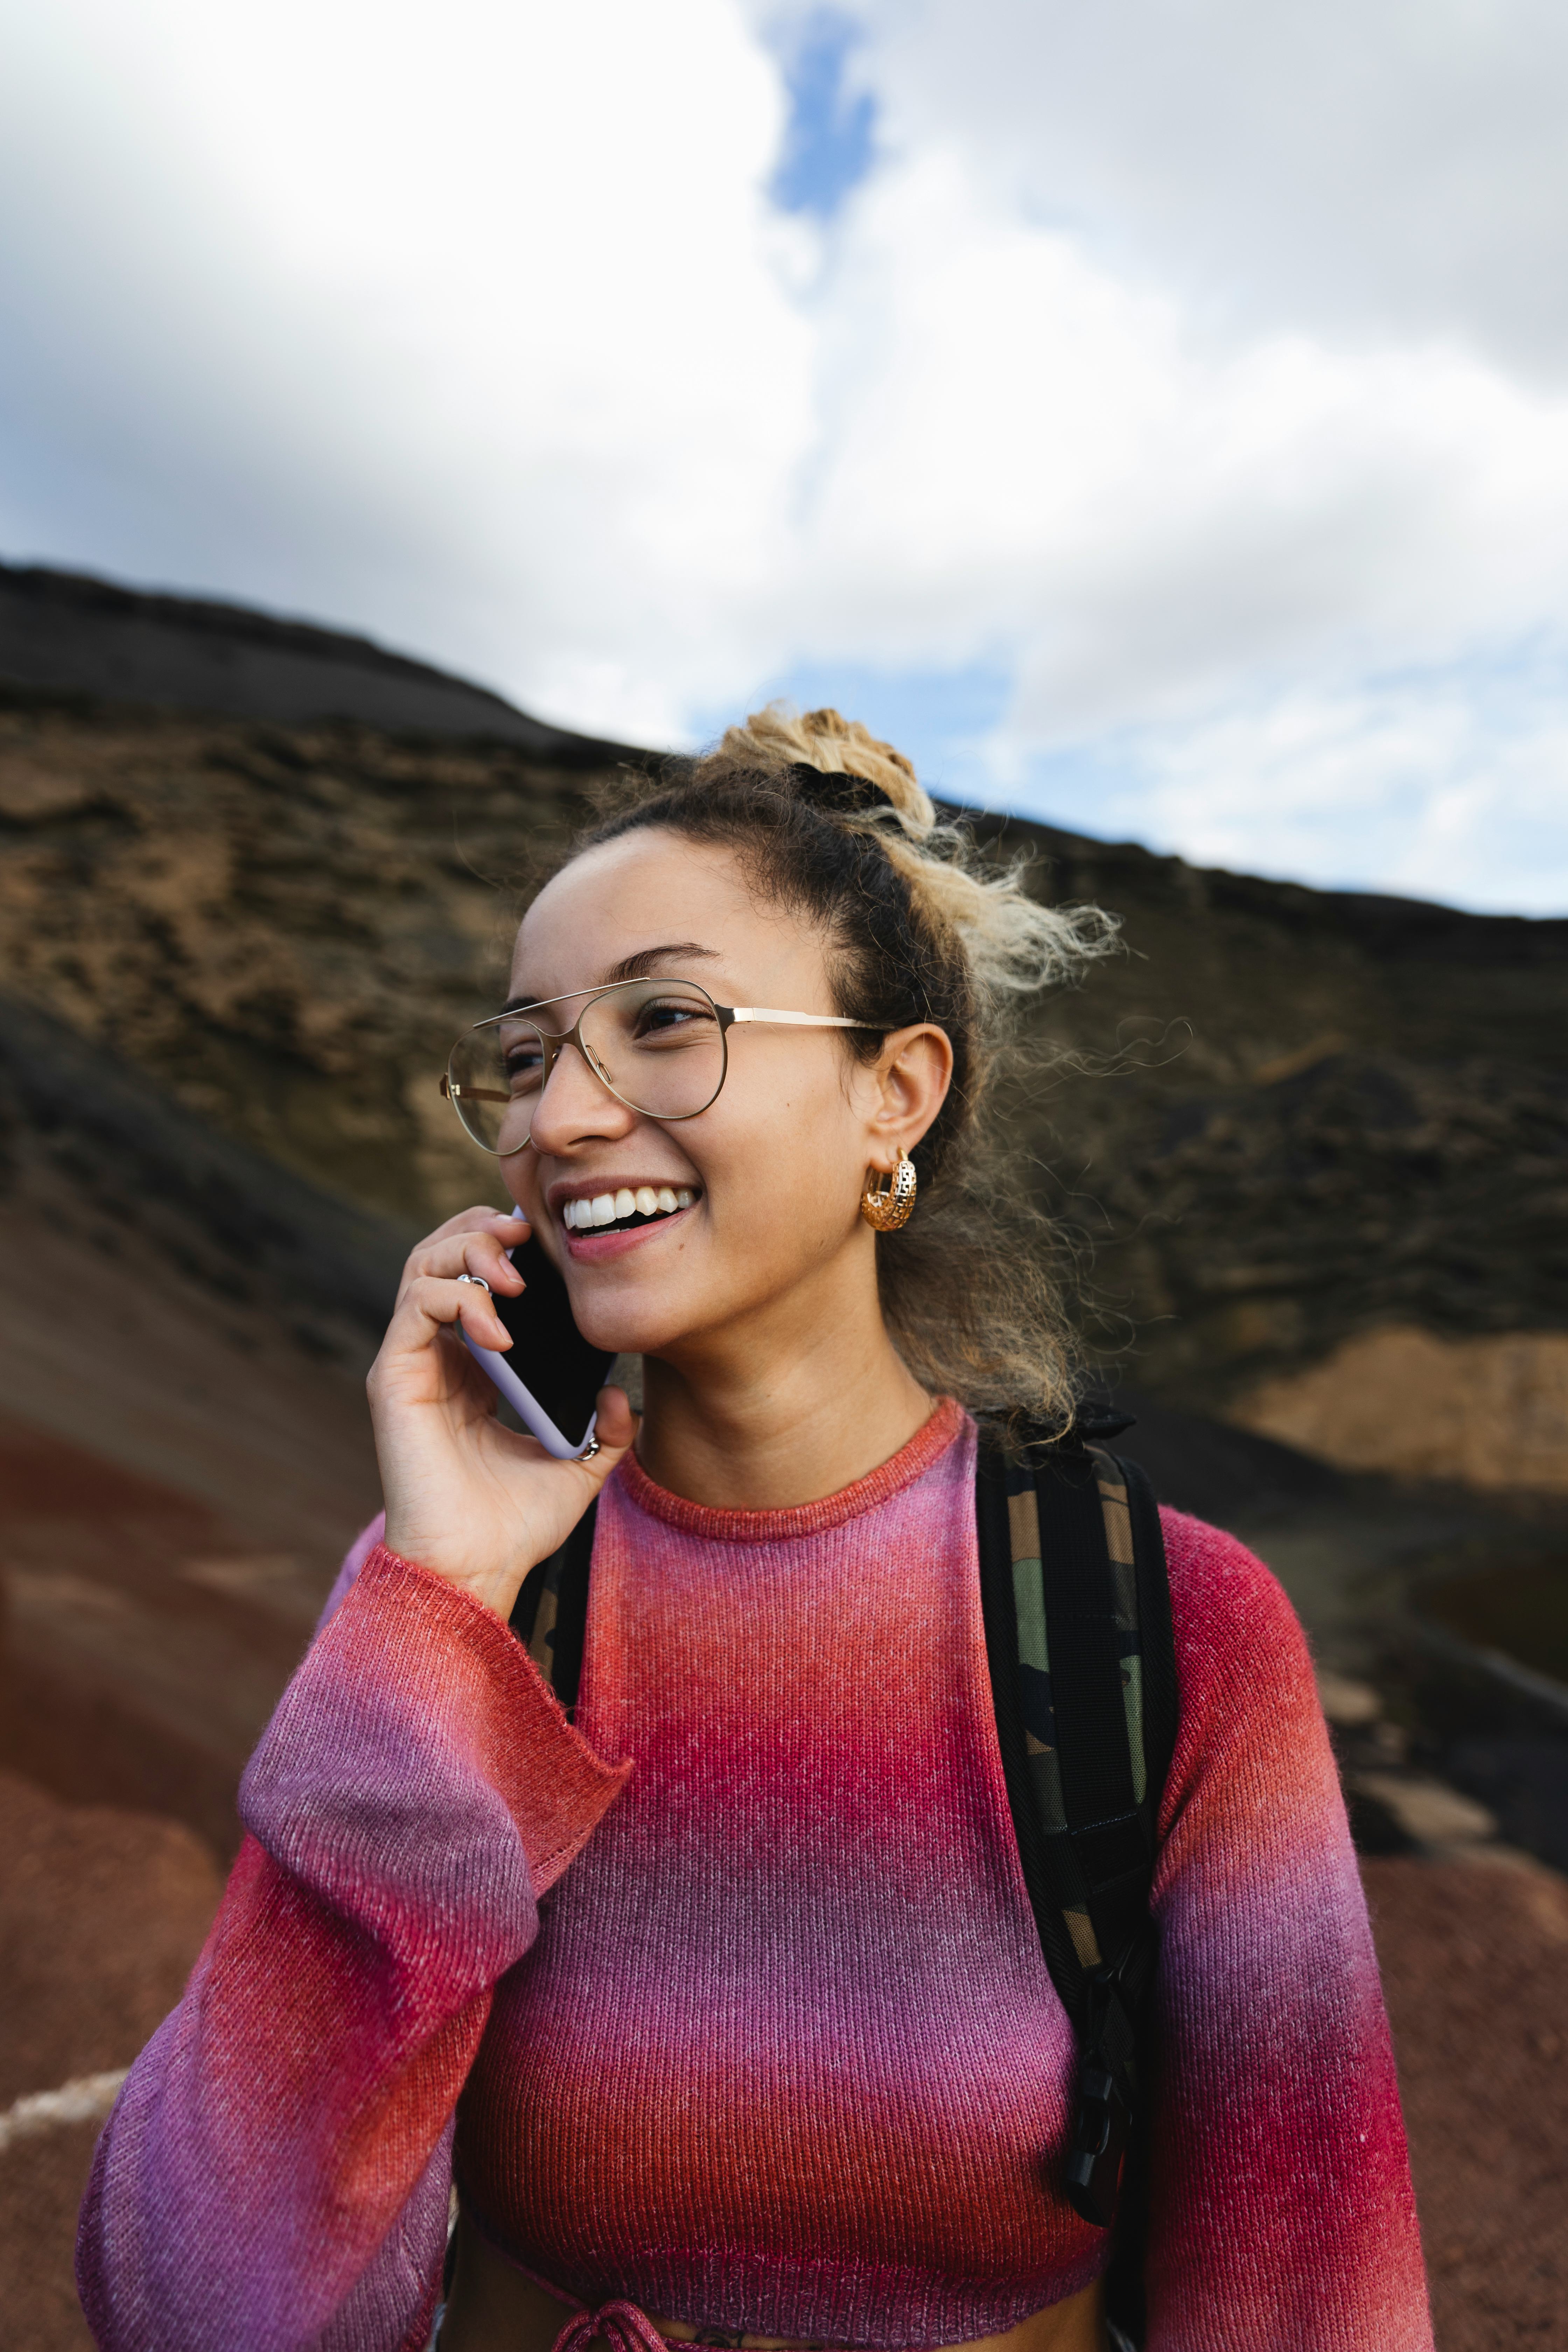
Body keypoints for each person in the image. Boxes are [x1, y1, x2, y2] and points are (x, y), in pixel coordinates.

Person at [76, 708, 1433, 2352]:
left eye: (665, 1023)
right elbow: (194, 2309)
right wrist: (436, 1595)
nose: (558, 1121)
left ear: (896, 1094)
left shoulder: (1166, 1622)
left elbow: (1307, 2309)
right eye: (523, 1056)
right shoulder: (457, 1606)